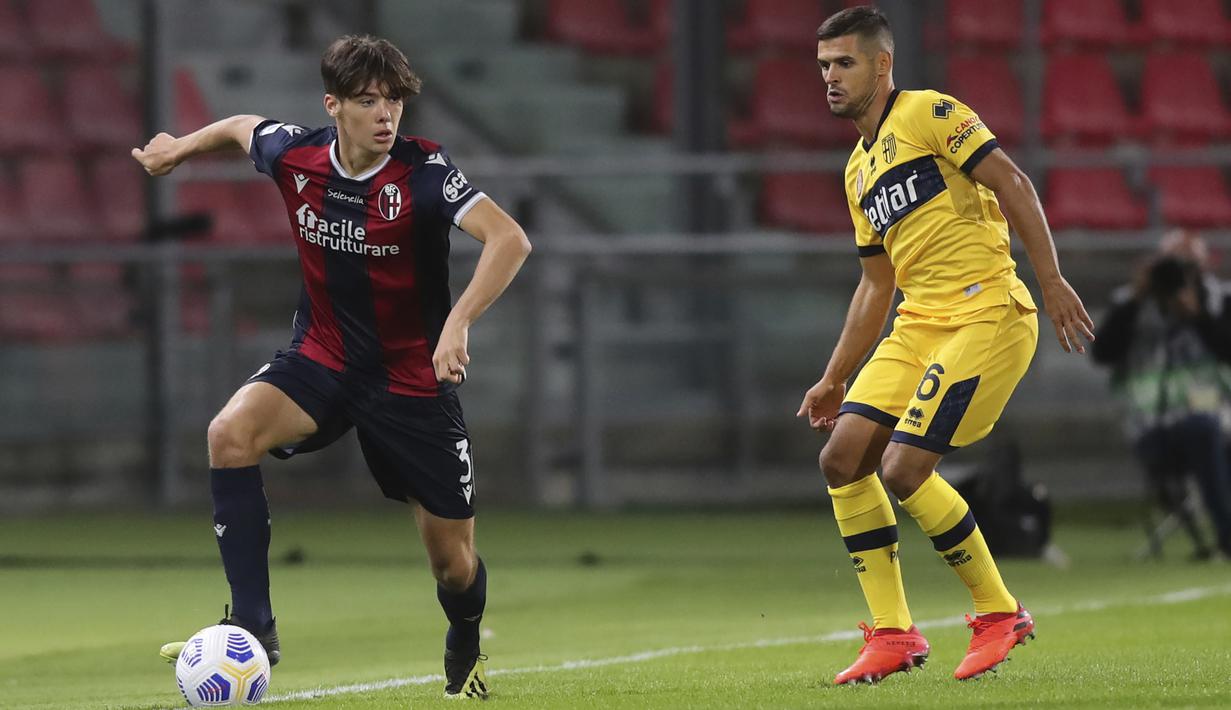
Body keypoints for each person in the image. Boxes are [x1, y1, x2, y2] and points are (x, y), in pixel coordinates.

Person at [132, 35, 531, 699]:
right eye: (369, 100)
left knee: (452, 565)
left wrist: (456, 325)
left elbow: (509, 238)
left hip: (411, 381)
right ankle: (256, 625)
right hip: (322, 357)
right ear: (334, 105)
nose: (386, 115)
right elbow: (238, 126)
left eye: (395, 101)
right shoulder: (297, 154)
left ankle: (464, 633)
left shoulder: (424, 172)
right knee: (229, 434)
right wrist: (178, 148)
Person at [795, 6, 1094, 684]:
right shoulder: (856, 172)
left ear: (881, 64)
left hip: (986, 311)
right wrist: (834, 375)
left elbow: (1012, 182)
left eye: (843, 63)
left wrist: (1048, 281)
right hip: (918, 323)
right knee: (841, 458)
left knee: (902, 470)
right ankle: (894, 635)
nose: (830, 79)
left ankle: (998, 612)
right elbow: (876, 285)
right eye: (822, 67)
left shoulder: (930, 113)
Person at [1092, 229, 1231, 559]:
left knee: (1208, 429)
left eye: (1189, 267)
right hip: (1155, 425)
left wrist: (1198, 316)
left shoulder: (1220, 299)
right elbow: (1103, 354)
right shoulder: (1131, 302)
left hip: (1219, 418)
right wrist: (1137, 298)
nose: (1180, 277)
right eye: (1172, 267)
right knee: (1204, 430)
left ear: (1203, 267)